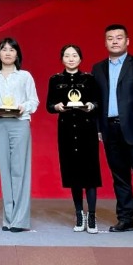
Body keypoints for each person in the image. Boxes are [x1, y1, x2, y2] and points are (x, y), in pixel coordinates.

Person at [0, 37, 39, 233]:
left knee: (20, 170)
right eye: (4, 49)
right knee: (4, 171)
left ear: (17, 54)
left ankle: (19, 220)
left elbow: (33, 101)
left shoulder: (25, 76)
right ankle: (8, 218)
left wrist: (24, 107)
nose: (7, 53)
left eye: (11, 50)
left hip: (19, 123)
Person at [91, 24, 133, 234]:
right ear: (105, 43)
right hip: (109, 129)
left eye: (119, 37)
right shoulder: (98, 68)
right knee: (120, 177)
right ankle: (125, 219)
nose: (114, 41)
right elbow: (96, 100)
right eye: (110, 38)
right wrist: (98, 127)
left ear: (127, 41)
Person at [46, 45, 101, 234]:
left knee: (91, 174)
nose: (71, 59)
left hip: (87, 130)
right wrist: (56, 107)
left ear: (80, 58)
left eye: (74, 55)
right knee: (73, 173)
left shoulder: (89, 79)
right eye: (67, 56)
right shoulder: (55, 80)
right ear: (62, 59)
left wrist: (91, 106)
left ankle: (92, 215)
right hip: (67, 130)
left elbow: (97, 102)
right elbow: (49, 106)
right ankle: (79, 214)